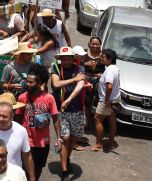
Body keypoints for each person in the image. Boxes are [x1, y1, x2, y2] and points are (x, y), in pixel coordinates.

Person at [16, 64, 60, 181]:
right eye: (27, 81)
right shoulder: (22, 98)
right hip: (27, 141)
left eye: (31, 82)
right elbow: (18, 119)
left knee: (38, 168)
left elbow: (55, 118)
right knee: (25, 169)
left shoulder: (49, 98)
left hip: (43, 142)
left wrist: (59, 138)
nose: (27, 84)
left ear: (40, 83)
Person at [50, 47, 86, 181]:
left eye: (68, 57)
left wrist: (69, 99)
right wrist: (73, 79)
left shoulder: (80, 68)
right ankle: (65, 171)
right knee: (65, 138)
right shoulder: (56, 68)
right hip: (61, 110)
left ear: (73, 58)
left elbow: (80, 85)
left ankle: (66, 158)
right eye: (63, 58)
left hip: (76, 109)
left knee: (73, 138)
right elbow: (55, 84)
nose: (65, 60)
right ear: (60, 58)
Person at [92, 48, 120, 152]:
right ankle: (111, 141)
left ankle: (99, 144)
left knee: (98, 119)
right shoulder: (115, 68)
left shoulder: (109, 70)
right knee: (112, 119)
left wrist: (106, 100)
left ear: (110, 58)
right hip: (115, 98)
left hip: (107, 100)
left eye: (103, 57)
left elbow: (109, 86)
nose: (102, 58)